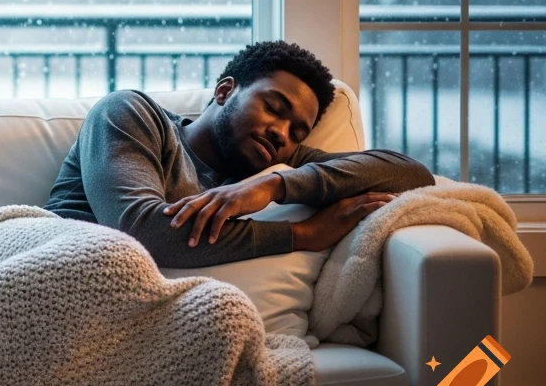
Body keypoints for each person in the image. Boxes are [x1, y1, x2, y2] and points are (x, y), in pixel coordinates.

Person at [45, 40, 435, 268]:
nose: (282, 133)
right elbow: (140, 232)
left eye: (297, 132)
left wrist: (275, 185)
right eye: (274, 107)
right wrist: (302, 235)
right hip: (67, 277)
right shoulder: (132, 114)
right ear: (225, 91)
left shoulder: (277, 162)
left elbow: (411, 174)